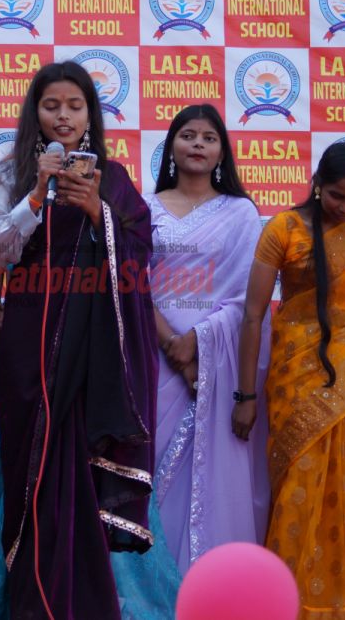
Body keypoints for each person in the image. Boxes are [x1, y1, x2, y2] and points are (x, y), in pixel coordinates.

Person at [0, 60, 157, 620]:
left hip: (91, 350)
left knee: (77, 468)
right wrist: (36, 194)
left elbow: (139, 254)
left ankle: (81, 605)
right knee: (27, 470)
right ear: (35, 112)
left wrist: (96, 210)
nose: (63, 116)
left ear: (90, 114)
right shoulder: (11, 174)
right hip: (27, 341)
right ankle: (29, 604)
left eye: (74, 106)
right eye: (51, 105)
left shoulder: (114, 179)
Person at [110, 104, 271, 612]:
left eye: (208, 137)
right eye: (187, 135)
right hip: (148, 354)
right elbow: (130, 282)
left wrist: (198, 340)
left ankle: (210, 597)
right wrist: (174, 348)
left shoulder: (241, 213)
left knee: (207, 483)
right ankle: (146, 600)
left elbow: (248, 298)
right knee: (146, 472)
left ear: (222, 152)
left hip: (216, 365)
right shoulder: (143, 208)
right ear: (171, 146)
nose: (197, 144)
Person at [235, 142, 345, 619]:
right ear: (316, 185)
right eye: (336, 196)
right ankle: (286, 606)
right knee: (297, 491)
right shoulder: (284, 229)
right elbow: (253, 316)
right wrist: (245, 394)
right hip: (296, 379)